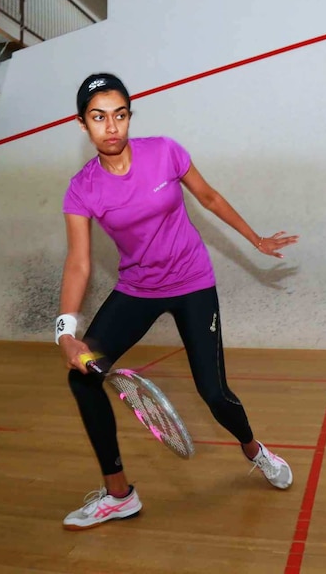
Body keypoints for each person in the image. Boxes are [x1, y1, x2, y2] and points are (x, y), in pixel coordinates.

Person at [56, 73, 300, 530]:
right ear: (82, 124)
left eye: (120, 115)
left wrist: (256, 239)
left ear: (130, 117)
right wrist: (66, 334)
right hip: (136, 289)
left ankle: (254, 450)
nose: (112, 127)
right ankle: (118, 494)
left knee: (214, 393)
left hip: (192, 284)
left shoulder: (165, 151)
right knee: (83, 380)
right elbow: (79, 264)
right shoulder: (82, 188)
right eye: (98, 117)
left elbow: (207, 196)